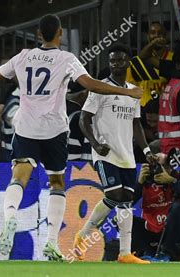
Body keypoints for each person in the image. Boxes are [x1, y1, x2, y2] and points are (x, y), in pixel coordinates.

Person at [0, 14, 143, 261]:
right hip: (54, 131)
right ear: (60, 33)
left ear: (39, 34)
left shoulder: (23, 56)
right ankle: (52, 243)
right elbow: (91, 84)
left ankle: (9, 217)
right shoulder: (66, 59)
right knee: (57, 184)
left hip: (26, 128)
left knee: (18, 178)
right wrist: (125, 91)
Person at [73, 44, 155, 264]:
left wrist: (146, 151)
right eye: (112, 61)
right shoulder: (99, 89)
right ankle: (94, 241)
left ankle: (123, 253)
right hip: (105, 153)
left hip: (126, 155)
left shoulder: (133, 91)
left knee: (125, 199)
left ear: (128, 62)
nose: (116, 64)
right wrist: (96, 145)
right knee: (117, 196)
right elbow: (83, 119)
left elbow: (136, 124)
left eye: (120, 60)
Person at [133, 152, 180, 262]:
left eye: (163, 166)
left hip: (179, 230)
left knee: (177, 207)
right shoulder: (146, 179)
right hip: (153, 229)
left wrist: (172, 181)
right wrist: (139, 183)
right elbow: (127, 203)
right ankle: (140, 253)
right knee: (123, 218)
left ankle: (166, 252)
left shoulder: (179, 176)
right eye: (155, 166)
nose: (159, 169)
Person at [130, 22, 173, 107]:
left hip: (167, 109)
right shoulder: (138, 61)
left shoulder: (174, 58)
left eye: (160, 33)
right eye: (153, 33)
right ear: (147, 36)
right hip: (145, 110)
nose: (156, 35)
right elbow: (131, 89)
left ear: (165, 36)